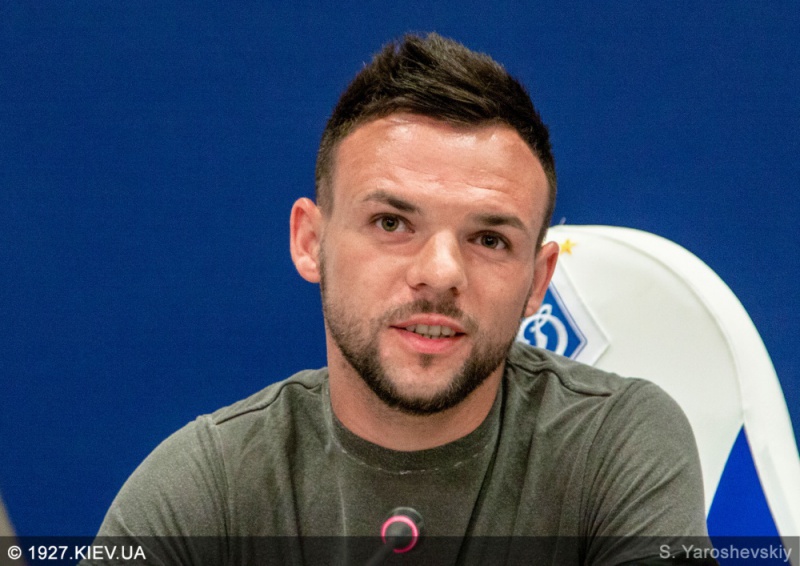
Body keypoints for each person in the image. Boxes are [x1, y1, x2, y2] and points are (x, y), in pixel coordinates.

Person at [89, 33, 711, 565]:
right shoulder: (206, 488)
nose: (440, 273)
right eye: (392, 223)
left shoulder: (616, 444)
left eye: (489, 239)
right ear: (310, 242)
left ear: (537, 281)